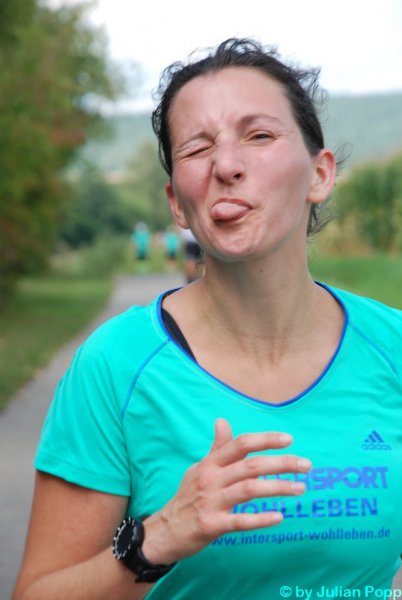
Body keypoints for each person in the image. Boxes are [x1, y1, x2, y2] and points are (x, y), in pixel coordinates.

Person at [13, 38, 402, 600]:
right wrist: (156, 540)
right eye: (197, 149)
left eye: (259, 136)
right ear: (177, 202)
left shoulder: (393, 348)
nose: (225, 165)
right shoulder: (114, 367)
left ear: (320, 174)